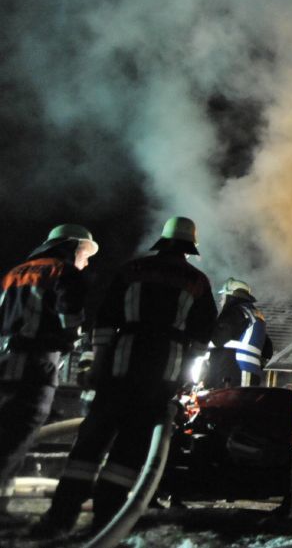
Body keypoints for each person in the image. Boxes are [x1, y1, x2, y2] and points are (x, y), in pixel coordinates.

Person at [39, 217, 217, 535]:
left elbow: (106, 320)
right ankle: (106, 523)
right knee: (129, 452)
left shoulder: (132, 270)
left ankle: (59, 518)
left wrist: (97, 365)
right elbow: (202, 337)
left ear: (163, 240)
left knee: (89, 444)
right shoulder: (197, 281)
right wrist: (186, 380)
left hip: (118, 368)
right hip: (161, 376)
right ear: (190, 246)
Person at [0, 225, 97, 523]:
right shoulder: (64, 273)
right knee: (18, 432)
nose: (86, 263)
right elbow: (71, 322)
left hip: (5, 360)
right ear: (72, 248)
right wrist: (79, 349)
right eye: (85, 254)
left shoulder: (14, 272)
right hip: (37, 362)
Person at [203, 278, 273, 388]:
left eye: (223, 297)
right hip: (250, 376)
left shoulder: (234, 312)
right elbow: (268, 350)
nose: (221, 301)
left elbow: (216, 339)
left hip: (229, 376)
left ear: (230, 296)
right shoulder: (255, 315)